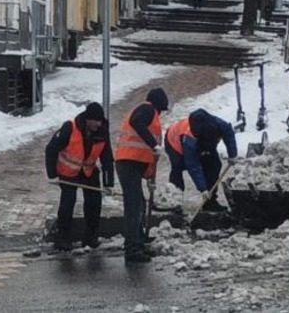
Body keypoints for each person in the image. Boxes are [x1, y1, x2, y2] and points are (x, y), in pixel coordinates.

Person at [45, 102, 114, 251]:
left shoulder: (102, 131)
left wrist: (108, 183)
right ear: (87, 119)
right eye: (95, 121)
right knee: (67, 203)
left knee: (94, 203)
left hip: (88, 171)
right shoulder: (70, 128)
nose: (98, 124)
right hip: (67, 172)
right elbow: (51, 149)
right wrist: (52, 174)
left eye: (100, 120)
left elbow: (107, 157)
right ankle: (63, 238)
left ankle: (91, 237)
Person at [115, 88, 169, 263]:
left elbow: (146, 154)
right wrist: (153, 143)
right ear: (158, 105)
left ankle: (139, 241)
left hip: (133, 165)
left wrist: (150, 176)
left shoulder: (150, 114)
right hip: (127, 164)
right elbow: (137, 123)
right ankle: (132, 249)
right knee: (133, 206)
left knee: (140, 203)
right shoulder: (146, 109)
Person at [164, 109, 238, 211]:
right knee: (177, 168)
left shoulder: (216, 123)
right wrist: (203, 189)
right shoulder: (190, 141)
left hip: (201, 143)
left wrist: (232, 154)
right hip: (174, 142)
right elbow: (193, 166)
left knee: (214, 164)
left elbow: (228, 132)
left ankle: (210, 202)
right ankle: (174, 201)